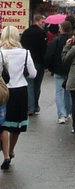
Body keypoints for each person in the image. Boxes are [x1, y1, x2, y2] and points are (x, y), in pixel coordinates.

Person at [0, 26, 37, 170]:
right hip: (20, 90)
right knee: (16, 125)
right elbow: (33, 74)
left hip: (3, 91)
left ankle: (6, 154)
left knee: (2, 124)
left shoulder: (1, 52)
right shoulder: (25, 53)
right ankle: (11, 150)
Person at [44, 20, 73, 124]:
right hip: (70, 69)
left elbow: (49, 54)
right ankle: (69, 111)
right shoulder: (73, 41)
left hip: (58, 69)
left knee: (59, 92)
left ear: (61, 29)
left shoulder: (56, 40)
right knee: (68, 91)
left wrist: (48, 66)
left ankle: (62, 115)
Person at [20, 14, 47, 115]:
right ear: (37, 21)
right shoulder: (42, 33)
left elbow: (23, 46)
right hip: (39, 62)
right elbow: (44, 50)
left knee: (29, 85)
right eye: (42, 22)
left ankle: (30, 107)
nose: (44, 24)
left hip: (27, 61)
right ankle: (35, 106)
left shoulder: (26, 32)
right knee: (37, 85)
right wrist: (45, 64)